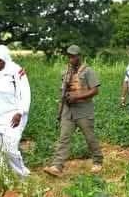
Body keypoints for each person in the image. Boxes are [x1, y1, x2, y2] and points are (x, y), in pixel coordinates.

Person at [44, 45, 103, 177]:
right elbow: (62, 92)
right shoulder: (65, 73)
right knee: (63, 137)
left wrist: (77, 96)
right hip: (68, 110)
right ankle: (57, 166)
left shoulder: (88, 71)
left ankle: (98, 161)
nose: (71, 59)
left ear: (79, 56)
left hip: (84, 110)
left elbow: (95, 90)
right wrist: (61, 108)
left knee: (89, 137)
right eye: (69, 56)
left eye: (73, 56)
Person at [0, 44, 31, 177]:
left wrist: (20, 112)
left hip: (12, 115)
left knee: (10, 148)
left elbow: (25, 93)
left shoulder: (17, 72)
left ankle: (22, 176)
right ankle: (3, 179)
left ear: (5, 59)